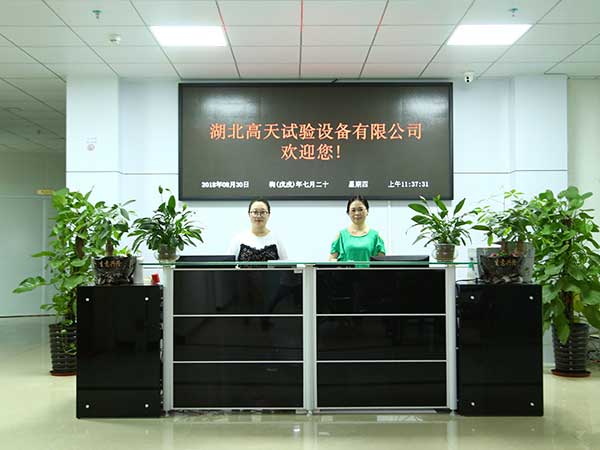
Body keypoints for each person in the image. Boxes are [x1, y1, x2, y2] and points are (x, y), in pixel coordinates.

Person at [329, 195, 386, 261]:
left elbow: (381, 264)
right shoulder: (340, 235)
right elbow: (331, 260)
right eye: (353, 210)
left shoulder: (376, 236)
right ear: (348, 212)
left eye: (360, 209)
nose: (357, 213)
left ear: (367, 211)